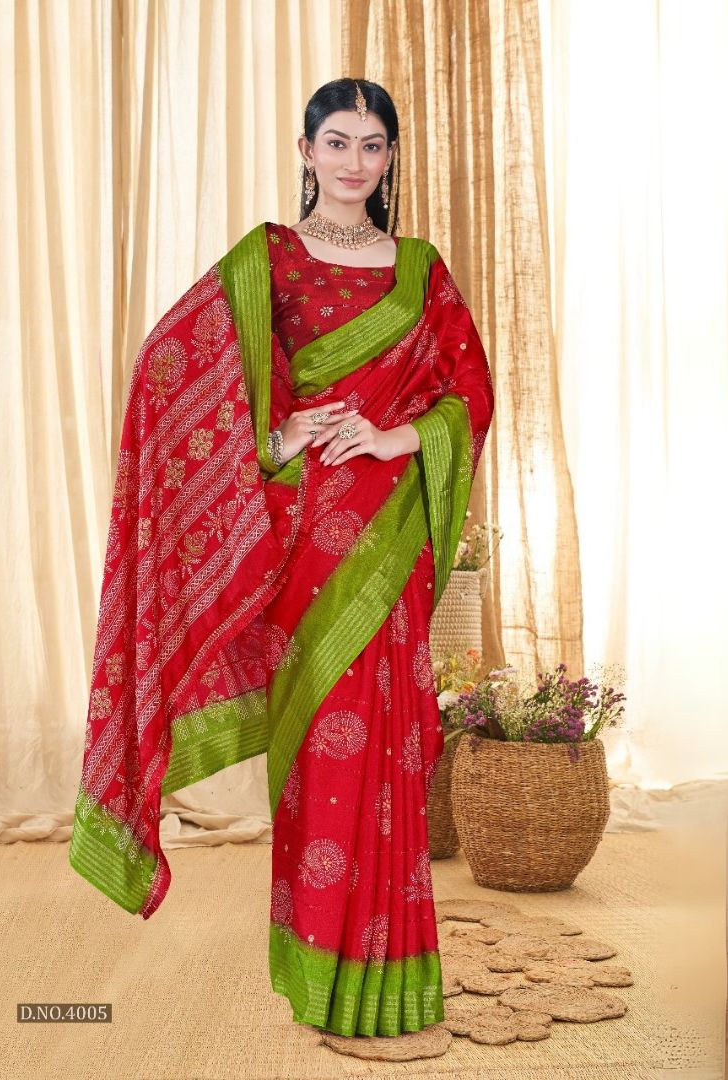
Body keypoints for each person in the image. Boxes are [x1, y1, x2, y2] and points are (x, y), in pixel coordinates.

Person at [68, 77, 495, 1038]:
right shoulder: (267, 260)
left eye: (372, 146)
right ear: (306, 152)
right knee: (319, 755)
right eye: (337, 143)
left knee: (382, 746)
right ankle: (319, 974)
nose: (354, 162)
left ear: (390, 158)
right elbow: (170, 370)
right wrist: (278, 432)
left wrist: (394, 438)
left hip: (387, 539)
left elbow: (470, 392)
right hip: (303, 545)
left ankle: (389, 978)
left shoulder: (420, 271)